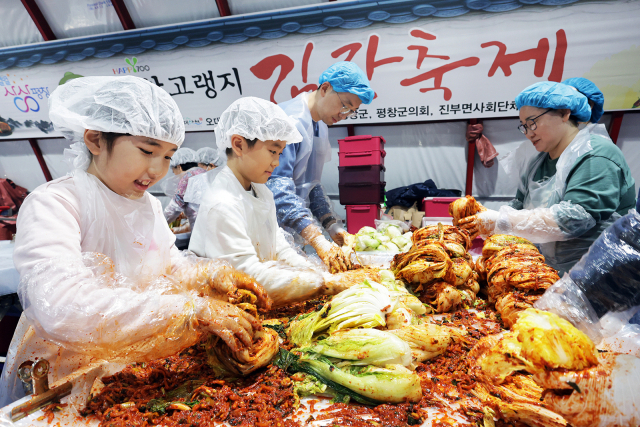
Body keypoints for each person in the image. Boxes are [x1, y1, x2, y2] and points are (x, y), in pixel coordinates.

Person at [0, 76, 268, 408]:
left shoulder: (149, 206)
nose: (157, 169)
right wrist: (191, 310)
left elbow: (170, 266)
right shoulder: (55, 203)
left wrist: (209, 275)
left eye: (169, 156)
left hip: (131, 371)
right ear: (96, 139)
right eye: (146, 151)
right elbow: (63, 306)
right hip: (62, 380)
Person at [189, 97, 379, 307]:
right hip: (226, 311)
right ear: (238, 145)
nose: (277, 162)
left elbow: (280, 249)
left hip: (257, 304)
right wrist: (326, 282)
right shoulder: (222, 203)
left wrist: (313, 272)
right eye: (273, 151)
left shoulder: (262, 192)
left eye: (280, 153)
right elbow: (246, 275)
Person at [458, 81, 635, 275]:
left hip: (596, 276)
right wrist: (491, 218)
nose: (528, 133)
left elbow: (574, 219)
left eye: (532, 122)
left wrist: (501, 220)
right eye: (524, 126)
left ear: (564, 113)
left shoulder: (596, 155)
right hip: (545, 272)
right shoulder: (537, 162)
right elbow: (520, 207)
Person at [266, 61, 374, 273]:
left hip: (293, 230)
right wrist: (317, 239)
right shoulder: (290, 122)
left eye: (351, 111)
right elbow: (278, 191)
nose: (344, 115)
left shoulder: (320, 125)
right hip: (269, 231)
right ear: (325, 88)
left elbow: (311, 184)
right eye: (345, 105)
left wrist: (331, 225)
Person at [163, 147, 205, 232]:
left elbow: (173, 209)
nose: (174, 174)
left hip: (202, 233)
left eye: (173, 171)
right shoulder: (205, 173)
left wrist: (157, 226)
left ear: (179, 167)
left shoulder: (187, 178)